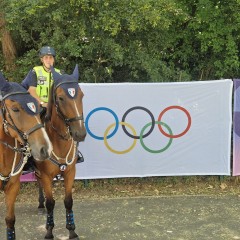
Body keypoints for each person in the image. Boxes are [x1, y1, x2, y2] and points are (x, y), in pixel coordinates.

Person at [22, 46, 84, 172]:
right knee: (31, 128)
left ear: (54, 60)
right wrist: (42, 103)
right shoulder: (35, 71)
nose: (49, 60)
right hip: (38, 106)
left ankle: (74, 152)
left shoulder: (59, 73)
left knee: (70, 122)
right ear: (42, 60)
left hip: (55, 106)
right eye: (46, 58)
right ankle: (28, 157)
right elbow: (31, 90)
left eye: (51, 58)